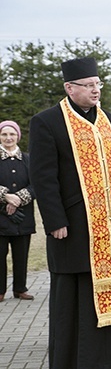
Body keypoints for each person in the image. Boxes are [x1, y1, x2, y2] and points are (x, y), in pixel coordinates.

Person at [29, 56, 111, 369]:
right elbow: (44, 177)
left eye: (98, 85)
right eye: (89, 86)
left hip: (109, 225)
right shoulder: (47, 122)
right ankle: (78, 366)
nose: (96, 91)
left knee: (109, 292)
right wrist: (55, 221)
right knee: (77, 296)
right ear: (69, 88)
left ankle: (107, 361)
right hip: (74, 227)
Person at [0, 120, 35, 302]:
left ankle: (20, 288)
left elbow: (36, 184)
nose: (8, 138)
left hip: (23, 217)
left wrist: (19, 198)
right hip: (1, 216)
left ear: (18, 136)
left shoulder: (28, 159)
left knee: (21, 254)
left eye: (12, 134)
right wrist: (6, 196)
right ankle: (0, 291)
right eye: (4, 134)